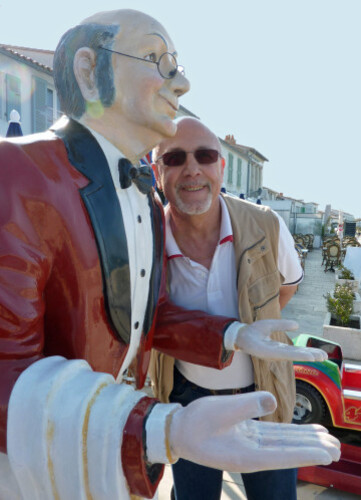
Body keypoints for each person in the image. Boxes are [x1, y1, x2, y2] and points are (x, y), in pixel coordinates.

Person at [0, 9, 339, 500]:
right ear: (90, 72)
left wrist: (236, 334)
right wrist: (158, 427)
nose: (180, 82)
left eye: (176, 63)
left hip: (118, 466)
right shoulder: (19, 172)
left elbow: (149, 317)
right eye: (158, 59)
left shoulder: (144, 200)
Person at [150, 117, 310, 500]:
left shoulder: (266, 226)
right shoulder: (146, 237)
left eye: (204, 156)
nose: (192, 169)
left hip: (264, 396)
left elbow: (286, 289)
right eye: (174, 158)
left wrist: (255, 324)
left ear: (220, 168)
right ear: (157, 173)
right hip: (187, 400)